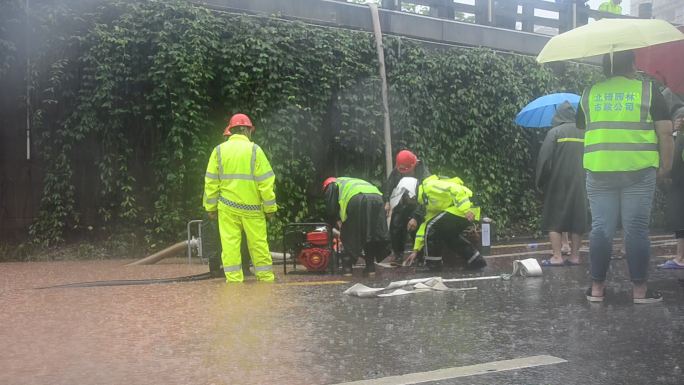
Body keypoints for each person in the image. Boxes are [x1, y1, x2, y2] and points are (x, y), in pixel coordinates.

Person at [577, 50, 674, 303]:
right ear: (632, 64)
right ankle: (640, 292)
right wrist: (665, 167)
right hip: (639, 171)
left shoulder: (589, 94)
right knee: (636, 230)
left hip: (599, 170)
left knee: (600, 229)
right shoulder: (648, 91)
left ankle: (596, 289)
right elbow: (665, 132)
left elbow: (582, 126)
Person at [203, 113, 277, 282]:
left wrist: (211, 208)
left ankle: (234, 282)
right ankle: (265, 280)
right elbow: (266, 183)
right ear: (248, 130)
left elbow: (211, 182)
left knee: (230, 246)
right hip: (253, 209)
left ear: (232, 130)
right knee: (258, 245)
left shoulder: (219, 151)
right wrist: (270, 209)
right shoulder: (255, 150)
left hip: (227, 208)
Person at [535, 101, 589, 266]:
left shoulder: (554, 132)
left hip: (558, 181)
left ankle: (557, 257)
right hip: (582, 181)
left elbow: (544, 160)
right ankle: (575, 256)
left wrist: (540, 182)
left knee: (554, 218)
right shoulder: (586, 132)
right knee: (578, 217)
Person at [404, 175, 487, 271]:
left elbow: (456, 189)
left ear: (411, 193)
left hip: (466, 208)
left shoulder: (429, 186)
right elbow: (426, 225)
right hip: (465, 210)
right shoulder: (427, 201)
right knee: (449, 237)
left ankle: (433, 265)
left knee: (433, 228)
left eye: (406, 198)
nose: (408, 202)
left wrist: (466, 209)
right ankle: (476, 261)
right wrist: (415, 250)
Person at [323, 177, 389, 276]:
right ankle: (370, 268)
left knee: (350, 234)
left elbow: (331, 209)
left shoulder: (332, 184)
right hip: (377, 199)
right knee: (370, 233)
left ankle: (347, 269)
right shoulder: (350, 181)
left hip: (357, 199)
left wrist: (333, 224)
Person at [381, 150, 429, 263]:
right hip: (402, 202)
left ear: (414, 164)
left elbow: (426, 197)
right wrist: (387, 201)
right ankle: (397, 254)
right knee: (395, 225)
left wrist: (416, 217)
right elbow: (389, 186)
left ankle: (419, 255)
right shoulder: (397, 170)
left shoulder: (423, 173)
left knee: (416, 228)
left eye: (406, 170)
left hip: (418, 203)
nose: (404, 172)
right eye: (401, 169)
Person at [659, 106, 684, 269]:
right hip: (677, 184)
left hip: (679, 184)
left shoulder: (679, 137)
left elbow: (673, 163)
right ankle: (680, 256)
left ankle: (680, 258)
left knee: (680, 220)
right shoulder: (676, 137)